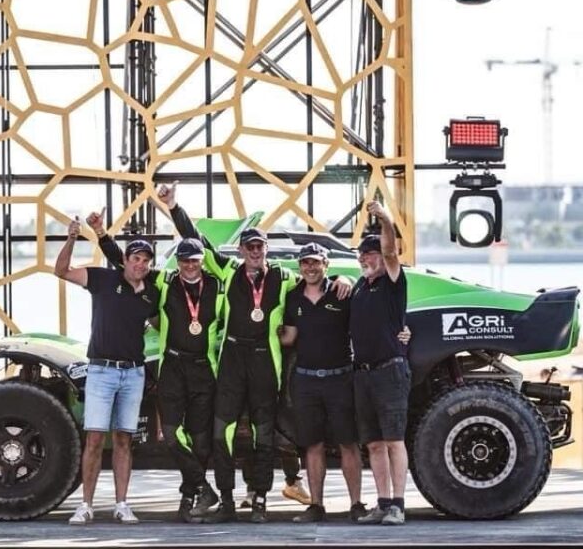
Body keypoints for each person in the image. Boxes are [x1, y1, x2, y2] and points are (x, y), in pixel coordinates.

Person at [158, 182, 350, 523]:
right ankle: (227, 500)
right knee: (222, 433)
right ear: (242, 250)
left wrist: (341, 278)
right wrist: (174, 207)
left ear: (266, 250)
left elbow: (314, 278)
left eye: (260, 246)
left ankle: (260, 498)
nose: (255, 252)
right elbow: (197, 240)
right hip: (232, 359)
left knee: (264, 434)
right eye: (249, 247)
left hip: (264, 361)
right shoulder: (228, 271)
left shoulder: (283, 277)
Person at [89, 210, 222, 523]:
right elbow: (123, 262)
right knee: (172, 435)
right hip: (173, 367)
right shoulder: (165, 280)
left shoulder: (218, 285)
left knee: (200, 440)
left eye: (195, 260)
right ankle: (203, 488)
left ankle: (190, 496)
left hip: (204, 370)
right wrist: (101, 234)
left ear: (202, 261)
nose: (189, 265)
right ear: (178, 262)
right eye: (184, 260)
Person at [54, 216, 158, 526]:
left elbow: (159, 323)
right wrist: (72, 238)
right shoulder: (102, 279)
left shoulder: (151, 294)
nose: (140, 264)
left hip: (134, 373)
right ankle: (85, 505)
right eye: (136, 258)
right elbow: (61, 271)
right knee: (95, 440)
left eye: (145, 260)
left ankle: (122, 504)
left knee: (124, 440)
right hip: (101, 371)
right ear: (125, 259)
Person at [279, 242, 366, 523]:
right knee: (312, 445)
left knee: (348, 443)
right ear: (300, 266)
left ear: (326, 265)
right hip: (305, 381)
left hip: (340, 378)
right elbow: (289, 337)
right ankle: (316, 505)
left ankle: (356, 504)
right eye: (305, 262)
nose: (310, 267)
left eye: (316, 262)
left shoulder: (342, 292)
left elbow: (368, 321)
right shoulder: (293, 297)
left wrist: (348, 279)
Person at [350, 200, 410, 526]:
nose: (365, 259)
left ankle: (398, 505)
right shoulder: (361, 285)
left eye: (370, 254)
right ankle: (383, 503)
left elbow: (390, 252)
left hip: (390, 370)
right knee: (373, 444)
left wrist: (385, 218)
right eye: (361, 255)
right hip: (363, 374)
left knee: (394, 441)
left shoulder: (392, 281)